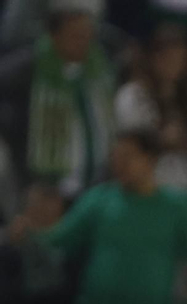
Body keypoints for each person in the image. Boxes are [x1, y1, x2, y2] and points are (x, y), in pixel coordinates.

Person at [35, 129, 187, 304]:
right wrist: (31, 231)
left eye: (128, 156)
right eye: (115, 156)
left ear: (150, 159)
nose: (119, 164)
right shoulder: (99, 199)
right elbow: (60, 239)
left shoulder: (178, 206)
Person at [0, 0, 114, 196]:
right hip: (42, 184)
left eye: (87, 35)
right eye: (75, 36)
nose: (83, 42)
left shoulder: (99, 65)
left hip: (96, 179)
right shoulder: (32, 66)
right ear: (54, 36)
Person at [113, 24, 187, 198]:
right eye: (167, 58)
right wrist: (161, 140)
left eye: (180, 59)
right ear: (151, 58)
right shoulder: (132, 96)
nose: (174, 65)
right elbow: (129, 145)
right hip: (151, 190)